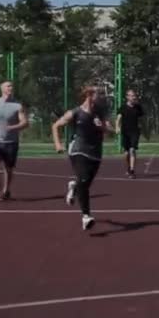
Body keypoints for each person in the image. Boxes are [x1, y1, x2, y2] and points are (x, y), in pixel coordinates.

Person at [52, 87, 114, 231]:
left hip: (96, 152)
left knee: (84, 183)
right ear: (89, 95)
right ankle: (86, 216)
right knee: (84, 180)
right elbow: (56, 126)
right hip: (78, 149)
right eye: (99, 94)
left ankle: (74, 186)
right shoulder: (75, 113)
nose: (101, 97)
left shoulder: (100, 113)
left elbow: (112, 130)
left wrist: (103, 127)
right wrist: (57, 144)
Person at [0, 81, 29, 200]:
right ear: (2, 88)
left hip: (11, 143)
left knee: (8, 169)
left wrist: (12, 127)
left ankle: (6, 191)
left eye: (12, 86)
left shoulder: (18, 106)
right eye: (8, 86)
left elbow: (25, 123)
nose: (10, 88)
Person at [115, 89, 144, 178]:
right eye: (131, 95)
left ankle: (132, 170)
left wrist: (142, 127)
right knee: (126, 153)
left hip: (135, 132)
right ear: (127, 97)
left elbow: (141, 119)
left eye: (134, 96)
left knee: (132, 150)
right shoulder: (123, 108)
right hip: (125, 132)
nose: (133, 97)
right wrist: (117, 127)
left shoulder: (138, 107)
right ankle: (128, 167)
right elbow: (118, 119)